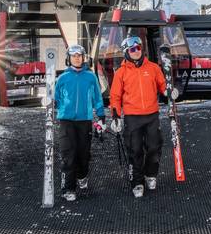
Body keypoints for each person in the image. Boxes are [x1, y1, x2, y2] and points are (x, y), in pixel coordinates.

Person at [109, 35, 167, 198]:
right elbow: (115, 96)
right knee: (135, 150)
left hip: (151, 115)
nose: (136, 51)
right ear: (126, 52)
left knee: (154, 147)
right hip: (132, 117)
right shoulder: (121, 72)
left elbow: (162, 85)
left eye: (139, 48)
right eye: (132, 49)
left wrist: (169, 91)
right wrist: (116, 116)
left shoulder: (153, 68)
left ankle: (150, 174)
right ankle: (137, 181)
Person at [53, 44, 106, 201]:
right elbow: (56, 97)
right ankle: (68, 188)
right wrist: (53, 103)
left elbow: (97, 97)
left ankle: (82, 175)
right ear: (68, 58)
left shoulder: (90, 77)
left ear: (83, 58)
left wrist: (101, 115)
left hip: (84, 120)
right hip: (66, 120)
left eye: (79, 55)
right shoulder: (62, 78)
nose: (77, 58)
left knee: (83, 154)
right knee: (68, 154)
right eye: (73, 56)